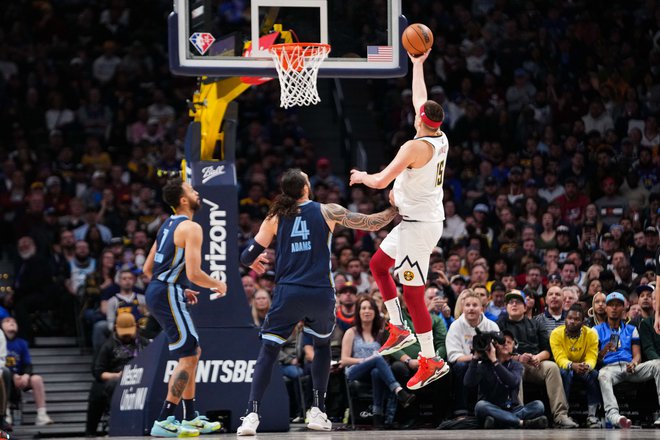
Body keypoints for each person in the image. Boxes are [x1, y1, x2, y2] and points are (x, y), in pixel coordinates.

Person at [237, 169, 399, 435]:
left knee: (268, 351)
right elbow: (371, 223)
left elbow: (247, 256)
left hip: (288, 293)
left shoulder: (275, 217)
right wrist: (392, 210)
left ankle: (251, 414)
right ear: (305, 187)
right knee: (322, 346)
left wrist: (252, 261)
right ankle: (318, 410)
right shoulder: (327, 211)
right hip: (320, 292)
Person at [349, 49, 450, 391]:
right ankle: (398, 327)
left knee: (413, 293)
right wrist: (418, 65)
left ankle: (429, 359)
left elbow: (380, 181)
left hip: (418, 229)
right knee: (378, 265)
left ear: (420, 119)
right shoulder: (439, 137)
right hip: (416, 220)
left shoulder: (412, 147)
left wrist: (363, 176)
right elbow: (421, 100)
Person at [142, 178, 226, 437]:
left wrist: (177, 286)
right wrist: (218, 284)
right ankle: (164, 419)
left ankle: (190, 417)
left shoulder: (166, 225)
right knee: (189, 354)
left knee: (192, 351)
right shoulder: (191, 227)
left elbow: (148, 269)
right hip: (166, 292)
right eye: (191, 190)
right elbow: (195, 272)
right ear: (182, 200)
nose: (196, 193)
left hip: (161, 290)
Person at [496, 290, 578, 428]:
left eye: (518, 302)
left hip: (534, 363)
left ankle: (560, 416)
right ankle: (519, 413)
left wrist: (537, 357)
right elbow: (498, 351)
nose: (514, 304)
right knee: (515, 369)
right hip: (512, 362)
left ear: (525, 307)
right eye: (510, 302)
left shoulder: (535, 323)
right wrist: (517, 358)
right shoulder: (500, 324)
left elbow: (547, 349)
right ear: (506, 307)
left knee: (552, 367)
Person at [341, 296, 415, 427]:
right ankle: (398, 390)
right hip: (355, 372)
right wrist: (366, 360)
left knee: (376, 371)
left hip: (372, 373)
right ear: (358, 312)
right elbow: (345, 360)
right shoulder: (351, 332)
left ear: (375, 312)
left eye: (370, 308)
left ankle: (377, 415)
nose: (367, 311)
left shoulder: (379, 333)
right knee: (376, 359)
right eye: (363, 308)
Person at [595, 291, 660, 428]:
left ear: (624, 308)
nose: (614, 308)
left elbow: (637, 354)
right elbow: (596, 360)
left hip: (629, 367)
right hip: (609, 368)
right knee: (602, 375)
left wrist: (634, 363)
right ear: (606, 308)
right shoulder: (596, 330)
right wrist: (605, 350)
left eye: (617, 305)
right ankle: (614, 416)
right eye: (610, 305)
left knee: (658, 364)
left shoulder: (631, 329)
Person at [464, 329, 548, 429]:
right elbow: (468, 383)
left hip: (512, 409)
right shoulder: (484, 365)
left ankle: (498, 422)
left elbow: (513, 382)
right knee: (480, 406)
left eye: (509, 342)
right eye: (502, 342)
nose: (505, 344)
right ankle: (521, 423)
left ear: (514, 346)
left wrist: (495, 362)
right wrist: (475, 357)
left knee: (539, 405)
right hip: (491, 408)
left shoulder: (516, 365)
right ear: (495, 346)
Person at [85, 313, 149, 436]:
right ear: (115, 327)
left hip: (141, 379)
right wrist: (117, 376)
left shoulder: (144, 344)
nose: (126, 335)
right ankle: (91, 431)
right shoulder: (107, 346)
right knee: (97, 390)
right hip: (115, 378)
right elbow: (98, 372)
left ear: (136, 327)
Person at [445, 289, 499, 418]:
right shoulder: (455, 326)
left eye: (475, 305)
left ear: (482, 308)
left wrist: (486, 356)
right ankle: (461, 410)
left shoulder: (491, 325)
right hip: (466, 364)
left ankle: (490, 409)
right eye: (468, 305)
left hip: (488, 363)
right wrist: (475, 356)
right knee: (461, 367)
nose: (471, 309)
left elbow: (500, 350)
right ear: (463, 308)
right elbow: (453, 357)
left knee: (493, 366)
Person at [549, 304, 601, 428]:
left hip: (583, 367)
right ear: (565, 319)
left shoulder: (591, 334)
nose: (572, 321)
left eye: (577, 319)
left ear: (583, 322)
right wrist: (572, 365)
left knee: (594, 374)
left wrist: (587, 366)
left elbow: (592, 356)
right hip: (566, 367)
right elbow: (559, 357)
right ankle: (563, 415)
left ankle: (592, 416)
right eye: (570, 318)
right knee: (564, 373)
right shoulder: (556, 333)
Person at [1, 317, 53, 426]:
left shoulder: (22, 343)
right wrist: (12, 376)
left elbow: (28, 364)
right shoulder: (1, 341)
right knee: (3, 376)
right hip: (4, 376)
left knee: (36, 379)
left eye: (14, 322)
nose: (12, 323)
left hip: (20, 378)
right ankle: (5, 413)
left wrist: (25, 375)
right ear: (1, 327)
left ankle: (41, 415)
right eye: (7, 321)